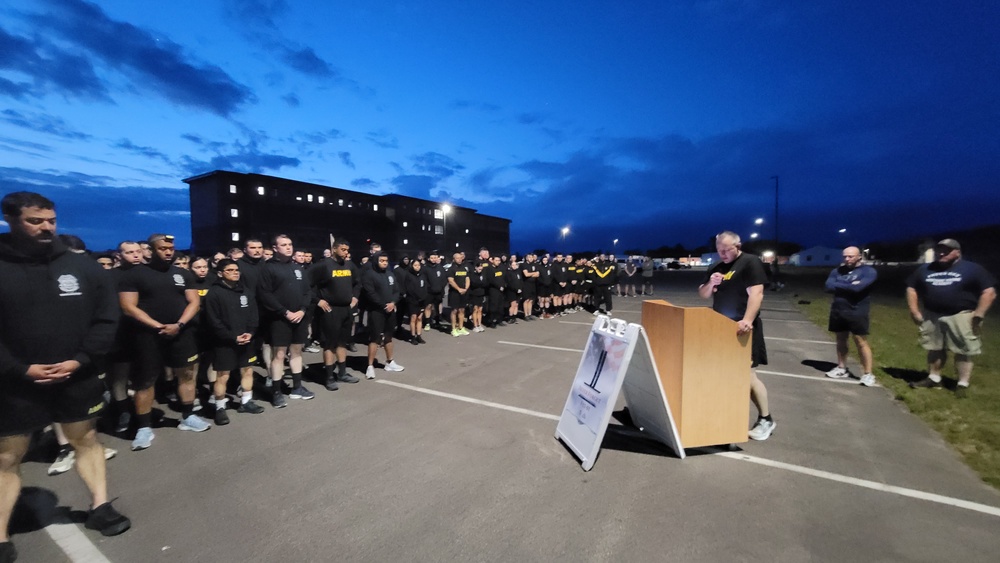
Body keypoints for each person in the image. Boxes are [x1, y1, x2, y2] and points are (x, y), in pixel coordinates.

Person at [0, 192, 130, 558]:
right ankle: (1, 535)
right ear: (10, 219)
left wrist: (81, 359)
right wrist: (19, 368)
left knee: (86, 439)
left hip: (76, 374)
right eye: (35, 221)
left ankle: (100, 506)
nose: (46, 228)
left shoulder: (83, 267)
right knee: (7, 457)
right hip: (14, 381)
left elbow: (107, 317)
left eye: (51, 221)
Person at [119, 233, 208, 450]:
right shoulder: (134, 274)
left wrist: (178, 325)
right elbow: (128, 306)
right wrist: (157, 326)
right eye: (162, 248)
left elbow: (194, 302)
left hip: (180, 332)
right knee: (145, 381)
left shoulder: (181, 274)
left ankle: (188, 416)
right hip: (148, 335)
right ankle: (143, 427)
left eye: (171, 248)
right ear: (150, 250)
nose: (168, 251)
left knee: (186, 375)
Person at [698, 231, 775, 441]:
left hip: (744, 329)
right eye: (719, 250)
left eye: (726, 250)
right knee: (727, 376)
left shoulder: (749, 263)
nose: (722, 254)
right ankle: (726, 416)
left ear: (737, 246)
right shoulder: (715, 267)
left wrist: (748, 320)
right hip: (721, 330)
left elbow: (757, 293)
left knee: (748, 376)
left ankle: (766, 419)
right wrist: (711, 284)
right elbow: (703, 294)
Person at [906, 239, 996, 397]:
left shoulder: (972, 269)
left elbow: (989, 292)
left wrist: (979, 314)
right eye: (939, 250)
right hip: (932, 314)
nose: (941, 253)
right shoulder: (926, 269)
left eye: (946, 251)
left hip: (961, 315)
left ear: (957, 252)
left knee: (963, 350)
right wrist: (914, 310)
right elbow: (912, 287)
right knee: (934, 347)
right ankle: (934, 378)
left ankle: (962, 384)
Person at [203, 259, 265, 423]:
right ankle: (220, 407)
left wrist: (250, 333)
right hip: (225, 343)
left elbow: (253, 315)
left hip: (246, 340)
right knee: (223, 376)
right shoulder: (214, 293)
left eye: (236, 269)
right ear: (220, 273)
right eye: (230, 270)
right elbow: (213, 321)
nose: (235, 272)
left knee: (248, 370)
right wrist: (232, 337)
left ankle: (246, 402)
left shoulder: (246, 291)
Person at [258, 235, 315, 406]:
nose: (288, 247)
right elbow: (265, 294)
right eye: (283, 245)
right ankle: (276, 392)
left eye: (290, 244)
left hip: (299, 317)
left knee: (297, 352)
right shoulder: (268, 268)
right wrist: (285, 312)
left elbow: (307, 292)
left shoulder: (297, 268)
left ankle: (297, 387)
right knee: (279, 355)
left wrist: (302, 310)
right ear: (275, 248)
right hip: (279, 319)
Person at [309, 239, 361, 390]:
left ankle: (343, 373)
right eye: (343, 249)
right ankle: (329, 377)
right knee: (329, 344)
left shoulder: (350, 265)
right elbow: (307, 284)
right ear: (334, 249)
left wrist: (355, 297)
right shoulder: (323, 265)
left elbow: (358, 282)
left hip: (346, 309)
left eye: (347, 250)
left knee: (342, 343)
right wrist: (317, 300)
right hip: (330, 310)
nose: (346, 253)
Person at [824, 246, 878, 386]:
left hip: (857, 311)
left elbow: (858, 288)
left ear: (859, 256)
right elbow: (828, 286)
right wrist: (849, 284)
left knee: (860, 342)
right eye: (845, 256)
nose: (847, 259)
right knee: (841, 340)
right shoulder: (837, 271)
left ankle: (868, 374)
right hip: (838, 310)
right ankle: (842, 367)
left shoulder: (868, 271)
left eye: (850, 256)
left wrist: (840, 284)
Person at [361, 252, 405, 378]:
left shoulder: (390, 274)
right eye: (382, 261)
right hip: (376, 311)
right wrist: (384, 305)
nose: (384, 263)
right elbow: (370, 293)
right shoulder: (369, 275)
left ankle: (390, 362)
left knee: (389, 337)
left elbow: (397, 291)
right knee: (375, 338)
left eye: (386, 261)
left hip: (390, 311)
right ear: (376, 261)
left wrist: (393, 303)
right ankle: (370, 366)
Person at [404, 259, 428, 344]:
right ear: (412, 266)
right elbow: (409, 289)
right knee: (413, 318)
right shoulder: (408, 275)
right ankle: (412, 336)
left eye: (418, 265)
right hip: (412, 300)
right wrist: (416, 297)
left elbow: (425, 287)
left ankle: (419, 335)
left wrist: (423, 297)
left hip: (422, 300)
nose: (417, 267)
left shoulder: (422, 275)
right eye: (415, 265)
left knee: (419, 318)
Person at [448, 252, 471, 335]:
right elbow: (451, 281)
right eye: (457, 258)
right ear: (454, 259)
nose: (459, 259)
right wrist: (458, 289)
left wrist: (466, 289)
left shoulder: (464, 268)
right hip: (454, 293)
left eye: (460, 258)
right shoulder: (451, 269)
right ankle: (453, 329)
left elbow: (467, 279)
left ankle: (461, 327)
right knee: (454, 310)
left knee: (462, 310)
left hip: (464, 293)